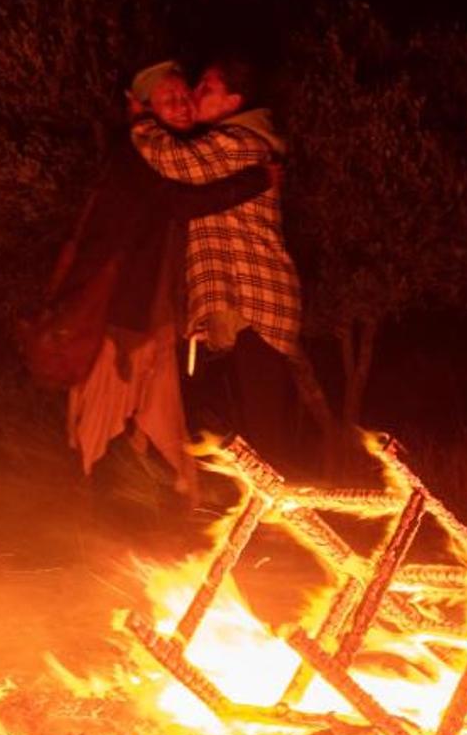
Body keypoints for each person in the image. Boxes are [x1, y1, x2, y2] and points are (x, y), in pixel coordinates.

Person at [48, 62, 275, 500]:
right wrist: (258, 179)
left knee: (165, 421)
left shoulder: (170, 150)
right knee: (100, 419)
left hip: (154, 316)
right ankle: (79, 513)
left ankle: (183, 506)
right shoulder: (137, 153)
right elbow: (182, 203)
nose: (182, 103)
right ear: (146, 108)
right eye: (167, 98)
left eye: (183, 94)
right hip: (119, 318)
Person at [129, 57, 303, 469]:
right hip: (244, 308)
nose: (194, 94)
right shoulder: (233, 142)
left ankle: (281, 527)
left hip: (257, 305)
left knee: (265, 437)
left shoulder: (240, 142)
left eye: (206, 87)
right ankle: (261, 523)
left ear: (234, 100)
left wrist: (140, 121)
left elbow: (175, 160)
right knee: (248, 436)